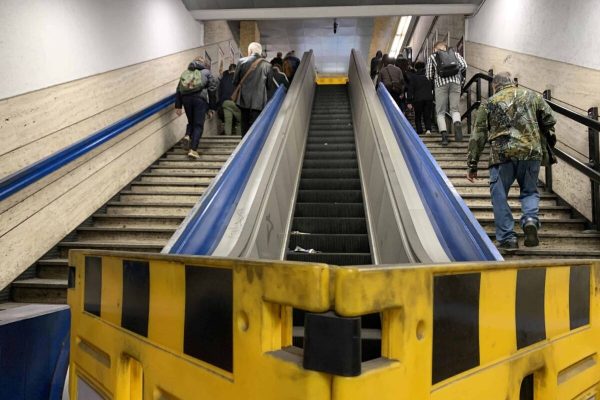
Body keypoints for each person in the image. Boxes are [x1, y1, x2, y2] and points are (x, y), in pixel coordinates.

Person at [467, 72, 557, 250]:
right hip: (530, 153)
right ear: (512, 83)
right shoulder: (532, 96)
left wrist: (472, 164)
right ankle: (530, 219)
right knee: (530, 191)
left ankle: (508, 239)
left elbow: (478, 135)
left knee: (499, 196)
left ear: (495, 86)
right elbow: (550, 119)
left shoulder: (489, 103)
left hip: (502, 156)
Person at [175, 57, 217, 159]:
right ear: (203, 63)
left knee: (191, 121)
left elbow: (179, 89)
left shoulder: (186, 72)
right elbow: (212, 89)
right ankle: (193, 150)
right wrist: (211, 107)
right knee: (198, 125)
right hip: (199, 100)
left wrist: (178, 106)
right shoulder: (206, 72)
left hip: (186, 100)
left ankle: (187, 135)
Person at [426, 41, 467, 146]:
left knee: (440, 112)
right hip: (456, 83)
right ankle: (457, 123)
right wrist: (455, 74)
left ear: (435, 49)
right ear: (445, 48)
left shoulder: (432, 57)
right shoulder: (455, 54)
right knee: (454, 109)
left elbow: (429, 75)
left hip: (440, 84)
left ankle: (444, 137)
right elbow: (464, 66)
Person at [232, 42, 276, 137]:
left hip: (243, 101)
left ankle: (244, 146)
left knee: (244, 125)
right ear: (260, 52)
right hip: (259, 101)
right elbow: (269, 86)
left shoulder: (241, 61)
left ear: (250, 51)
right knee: (256, 126)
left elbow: (235, 81)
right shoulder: (267, 65)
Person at [407, 61, 434, 135]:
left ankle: (419, 130)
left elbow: (410, 89)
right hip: (428, 98)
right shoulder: (428, 76)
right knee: (427, 114)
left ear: (416, 68)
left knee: (418, 115)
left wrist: (409, 101)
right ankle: (428, 129)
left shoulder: (413, 77)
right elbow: (432, 86)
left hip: (418, 99)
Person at [218, 63, 241, 136]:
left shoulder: (223, 79)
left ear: (229, 70)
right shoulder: (239, 78)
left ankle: (227, 137)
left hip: (225, 102)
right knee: (240, 120)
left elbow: (219, 92)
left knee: (228, 121)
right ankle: (238, 139)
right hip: (235, 102)